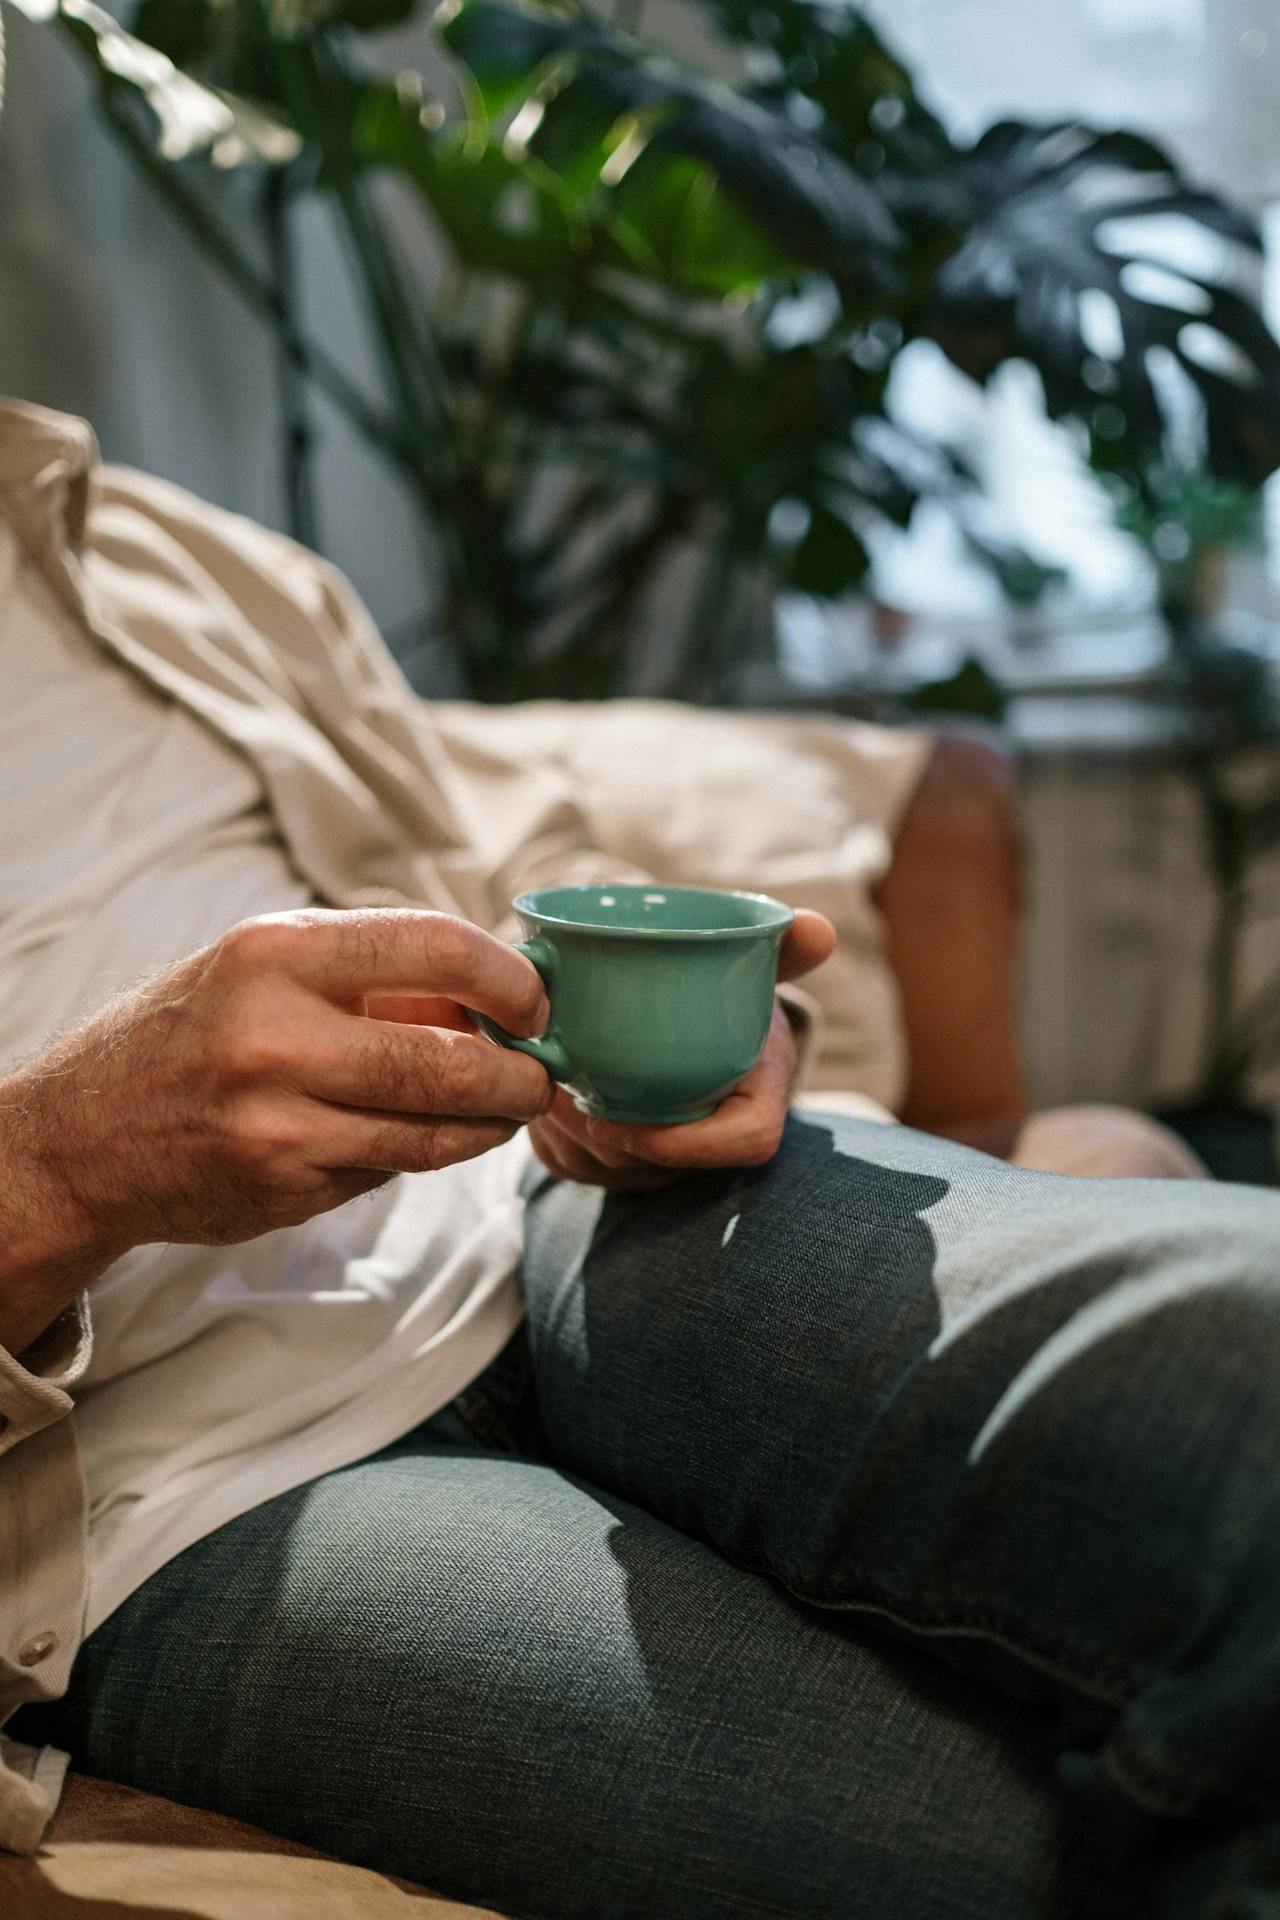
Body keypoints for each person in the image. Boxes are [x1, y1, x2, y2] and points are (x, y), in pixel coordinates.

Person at [1, 399, 1277, 1919]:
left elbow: (503, 870)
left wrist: (680, 1024)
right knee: (1014, 1861)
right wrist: (57, 1167)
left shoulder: (130, 546)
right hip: (158, 1490)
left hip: (558, 1200)